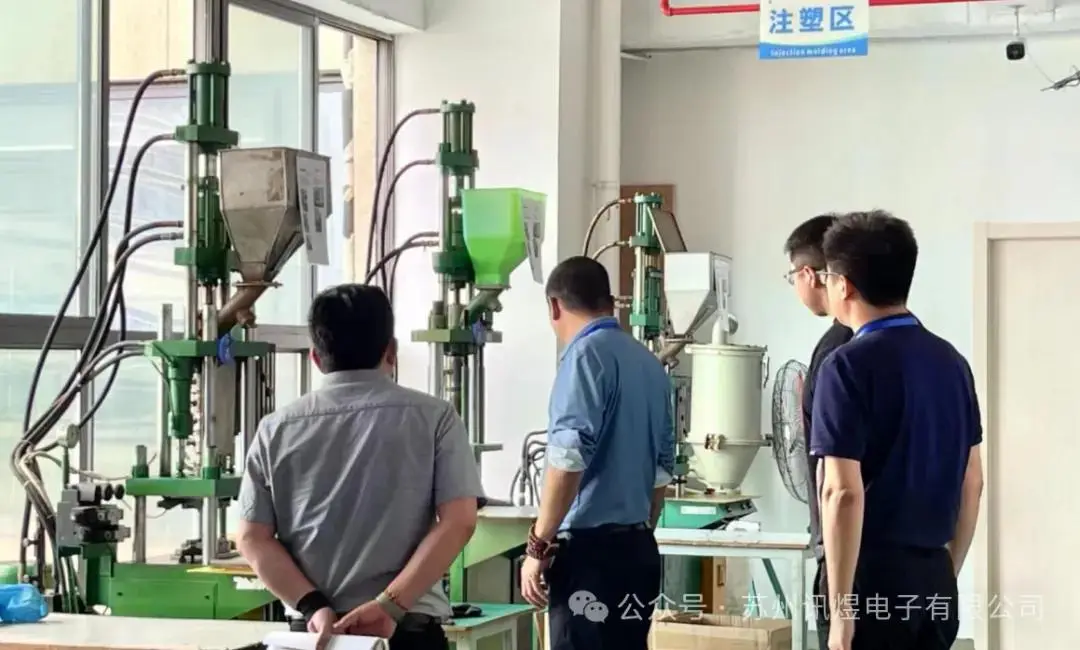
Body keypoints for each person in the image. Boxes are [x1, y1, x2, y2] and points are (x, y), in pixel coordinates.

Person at [236, 284, 484, 650]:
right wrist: (389, 606)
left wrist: (314, 606)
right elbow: (459, 521)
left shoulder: (275, 428)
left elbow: (251, 537)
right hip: (405, 631)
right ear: (391, 351)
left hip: (313, 635)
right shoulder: (436, 418)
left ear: (316, 357)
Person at [810, 211, 984, 650]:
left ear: (844, 284)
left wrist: (841, 613)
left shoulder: (846, 366)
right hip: (935, 574)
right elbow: (973, 481)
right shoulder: (952, 362)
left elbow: (842, 492)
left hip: (871, 579)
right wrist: (946, 572)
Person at [518, 256, 673, 650]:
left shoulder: (584, 356)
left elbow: (567, 460)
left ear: (555, 306)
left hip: (589, 558)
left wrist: (538, 545)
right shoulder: (650, 364)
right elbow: (661, 472)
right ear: (609, 302)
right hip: (639, 553)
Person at [783, 214, 853, 650]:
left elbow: (839, 485)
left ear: (809, 274)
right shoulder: (939, 357)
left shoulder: (836, 354)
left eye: (791, 276)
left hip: (849, 555)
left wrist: (841, 609)